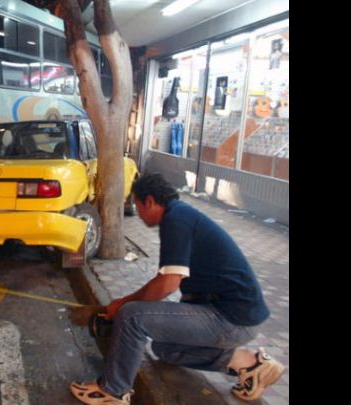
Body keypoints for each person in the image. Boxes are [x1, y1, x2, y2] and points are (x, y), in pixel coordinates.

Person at [70, 173, 284, 405]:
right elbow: (164, 281)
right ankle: (249, 363)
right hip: (233, 316)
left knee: (132, 317)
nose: (138, 214)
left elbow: (167, 284)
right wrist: (123, 302)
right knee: (165, 348)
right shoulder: (180, 216)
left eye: (137, 205)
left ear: (149, 201)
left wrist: (123, 305)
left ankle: (112, 391)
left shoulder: (177, 220)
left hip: (231, 319)